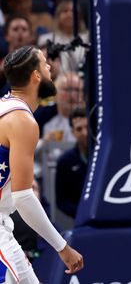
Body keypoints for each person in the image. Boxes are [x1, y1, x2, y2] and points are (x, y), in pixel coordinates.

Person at [0, 46, 84, 279]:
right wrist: (62, 247)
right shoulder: (22, 120)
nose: (50, 68)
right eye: (45, 63)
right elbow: (24, 197)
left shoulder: (5, 107)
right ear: (36, 75)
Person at [54, 107, 88, 218]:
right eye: (79, 129)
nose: (85, 132)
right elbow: (61, 202)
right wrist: (82, 212)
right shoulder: (65, 162)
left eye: (88, 127)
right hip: (81, 221)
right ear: (73, 132)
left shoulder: (105, 154)